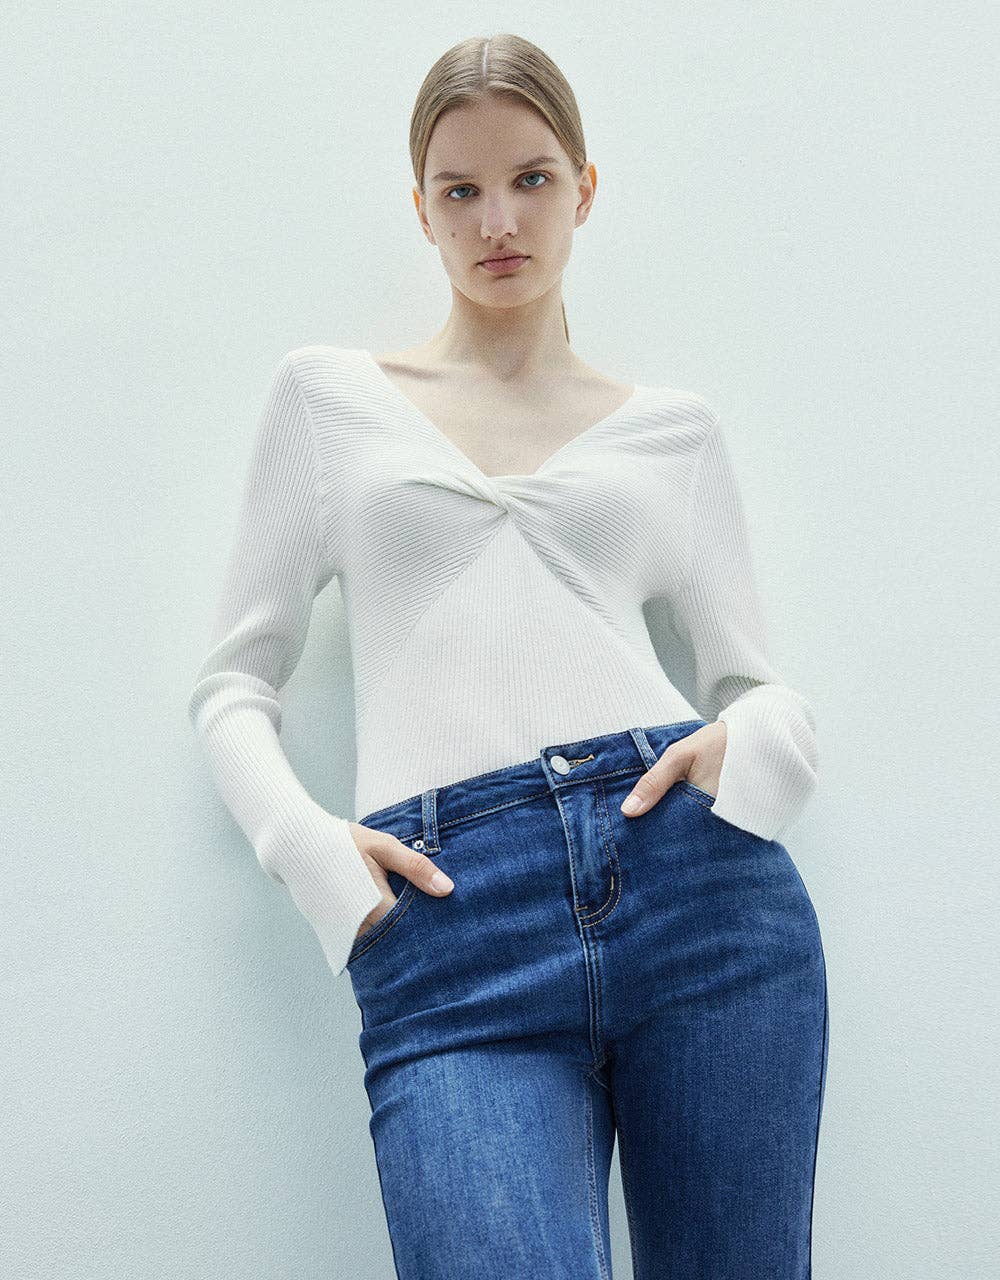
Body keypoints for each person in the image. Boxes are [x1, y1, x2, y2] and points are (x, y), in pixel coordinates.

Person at [187, 31, 829, 1280]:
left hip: (697, 896)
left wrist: (755, 746)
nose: (498, 220)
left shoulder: (673, 433)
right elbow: (231, 682)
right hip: (448, 920)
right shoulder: (329, 401)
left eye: (531, 179)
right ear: (420, 209)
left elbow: (749, 682)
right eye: (461, 189)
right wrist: (309, 848)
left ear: (583, 188)